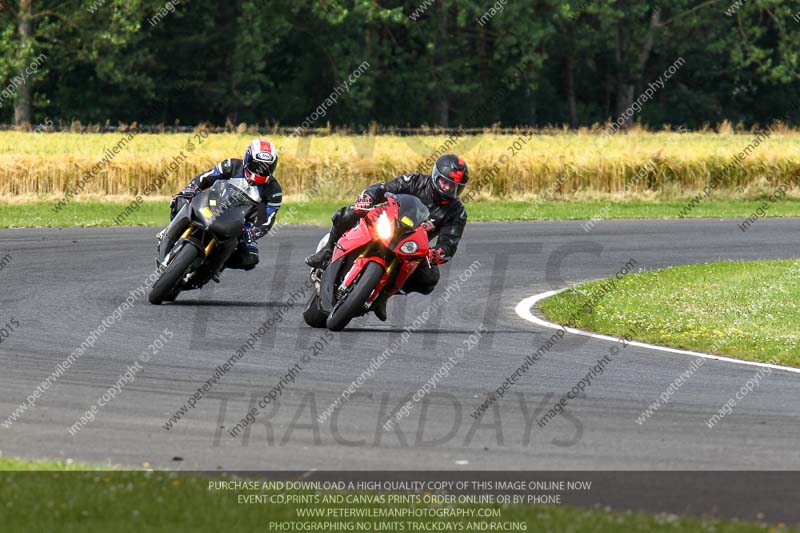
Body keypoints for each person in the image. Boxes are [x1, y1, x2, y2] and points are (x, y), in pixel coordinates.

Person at [305, 154, 469, 321]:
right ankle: (327, 250)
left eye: (455, 186)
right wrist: (368, 197)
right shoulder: (414, 181)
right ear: (435, 176)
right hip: (388, 221)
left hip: (411, 243)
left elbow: (450, 242)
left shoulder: (457, 212)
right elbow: (382, 189)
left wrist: (438, 253)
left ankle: (383, 295)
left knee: (430, 279)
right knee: (346, 214)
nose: (448, 188)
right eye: (445, 182)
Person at [168, 138, 282, 274]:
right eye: (257, 165)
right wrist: (190, 189)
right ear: (248, 158)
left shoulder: (274, 190)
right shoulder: (231, 165)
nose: (261, 170)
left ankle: (215, 267)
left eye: (267, 167)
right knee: (180, 200)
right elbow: (206, 177)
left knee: (249, 258)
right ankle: (168, 232)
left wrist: (252, 232)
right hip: (212, 203)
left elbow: (266, 220)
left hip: (241, 223)